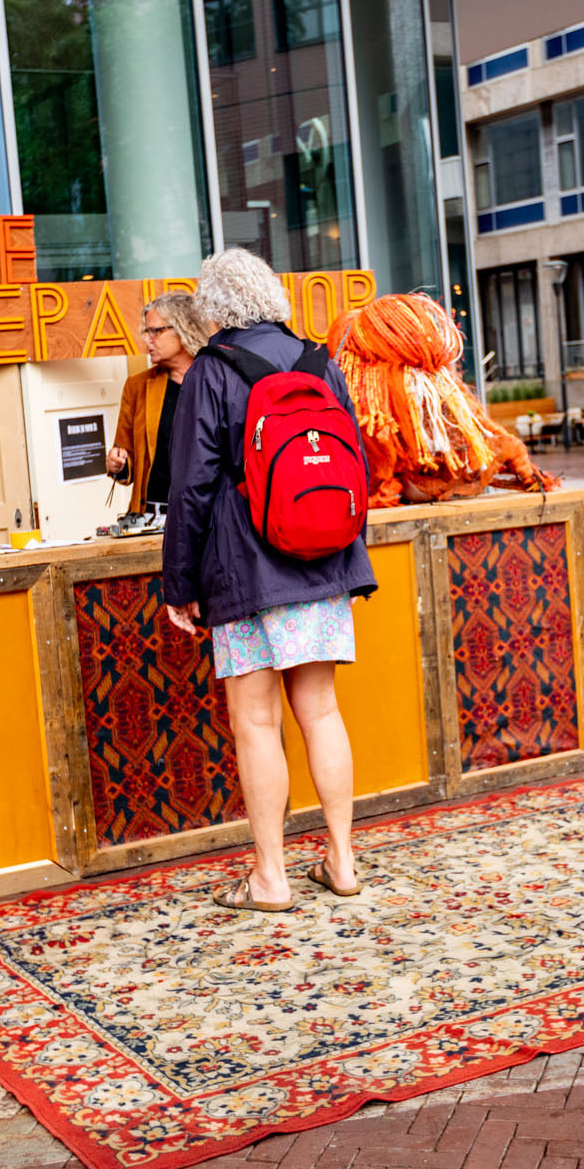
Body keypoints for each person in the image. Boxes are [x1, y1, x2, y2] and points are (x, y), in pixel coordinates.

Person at [161, 248, 375, 912]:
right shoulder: (318, 361)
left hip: (246, 570)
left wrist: (179, 584)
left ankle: (271, 877)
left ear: (214, 308)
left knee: (255, 722)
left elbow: (191, 487)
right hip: (323, 563)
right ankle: (341, 859)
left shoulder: (211, 372)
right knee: (322, 712)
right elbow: (356, 464)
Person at [107, 292, 213, 513]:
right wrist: (118, 465)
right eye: (146, 332)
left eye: (156, 331)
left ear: (185, 329)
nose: (148, 339)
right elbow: (126, 459)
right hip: (156, 518)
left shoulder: (217, 380)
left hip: (210, 515)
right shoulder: (137, 386)